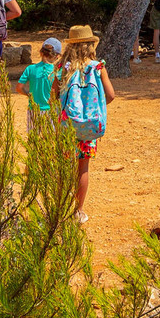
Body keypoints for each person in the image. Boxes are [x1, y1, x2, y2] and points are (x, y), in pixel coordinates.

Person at [56, 24, 113, 222]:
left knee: (63, 165)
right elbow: (111, 95)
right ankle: (78, 211)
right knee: (83, 167)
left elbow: (53, 96)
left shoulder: (63, 68)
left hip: (66, 125)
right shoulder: (98, 67)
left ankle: (58, 209)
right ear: (90, 45)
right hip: (88, 126)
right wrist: (95, 108)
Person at [14, 36, 64, 124]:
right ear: (57, 56)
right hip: (51, 110)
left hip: (34, 110)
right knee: (50, 136)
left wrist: (28, 94)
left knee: (34, 136)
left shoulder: (30, 69)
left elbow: (19, 88)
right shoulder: (57, 71)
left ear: (41, 53)